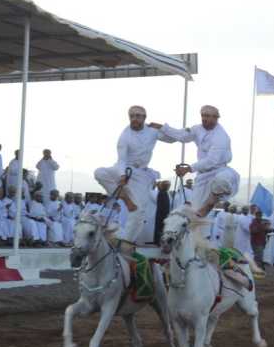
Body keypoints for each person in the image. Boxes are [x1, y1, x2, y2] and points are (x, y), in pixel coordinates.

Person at [150, 105, 240, 218]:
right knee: (194, 214)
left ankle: (210, 203)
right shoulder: (197, 129)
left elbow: (212, 161)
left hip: (220, 170)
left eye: (209, 116)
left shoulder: (221, 137)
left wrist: (188, 169)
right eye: (203, 115)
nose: (205, 118)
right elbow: (182, 135)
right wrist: (162, 128)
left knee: (221, 181)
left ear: (216, 118)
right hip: (202, 175)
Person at [94, 106, 166, 246]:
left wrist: (163, 127)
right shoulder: (125, 135)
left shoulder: (152, 131)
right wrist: (122, 175)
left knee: (139, 212)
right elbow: (121, 159)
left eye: (138, 116)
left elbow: (172, 139)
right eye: (132, 116)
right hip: (125, 168)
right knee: (99, 172)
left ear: (144, 117)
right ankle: (126, 198)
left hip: (141, 174)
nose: (134, 118)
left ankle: (126, 241)